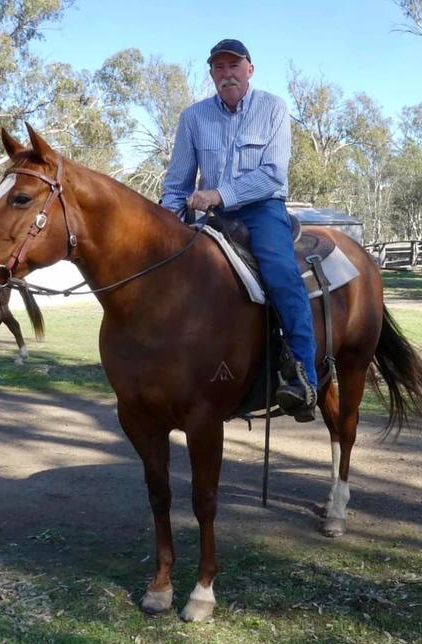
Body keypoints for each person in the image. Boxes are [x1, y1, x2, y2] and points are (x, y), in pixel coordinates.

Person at [161, 38, 318, 421]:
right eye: (219, 67)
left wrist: (217, 193)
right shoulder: (193, 117)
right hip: (211, 217)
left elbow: (271, 176)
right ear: (212, 74)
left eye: (234, 65)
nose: (227, 73)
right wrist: (164, 224)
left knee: (282, 276)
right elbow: (178, 183)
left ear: (250, 69)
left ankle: (303, 377)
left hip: (261, 210)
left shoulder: (273, 109)